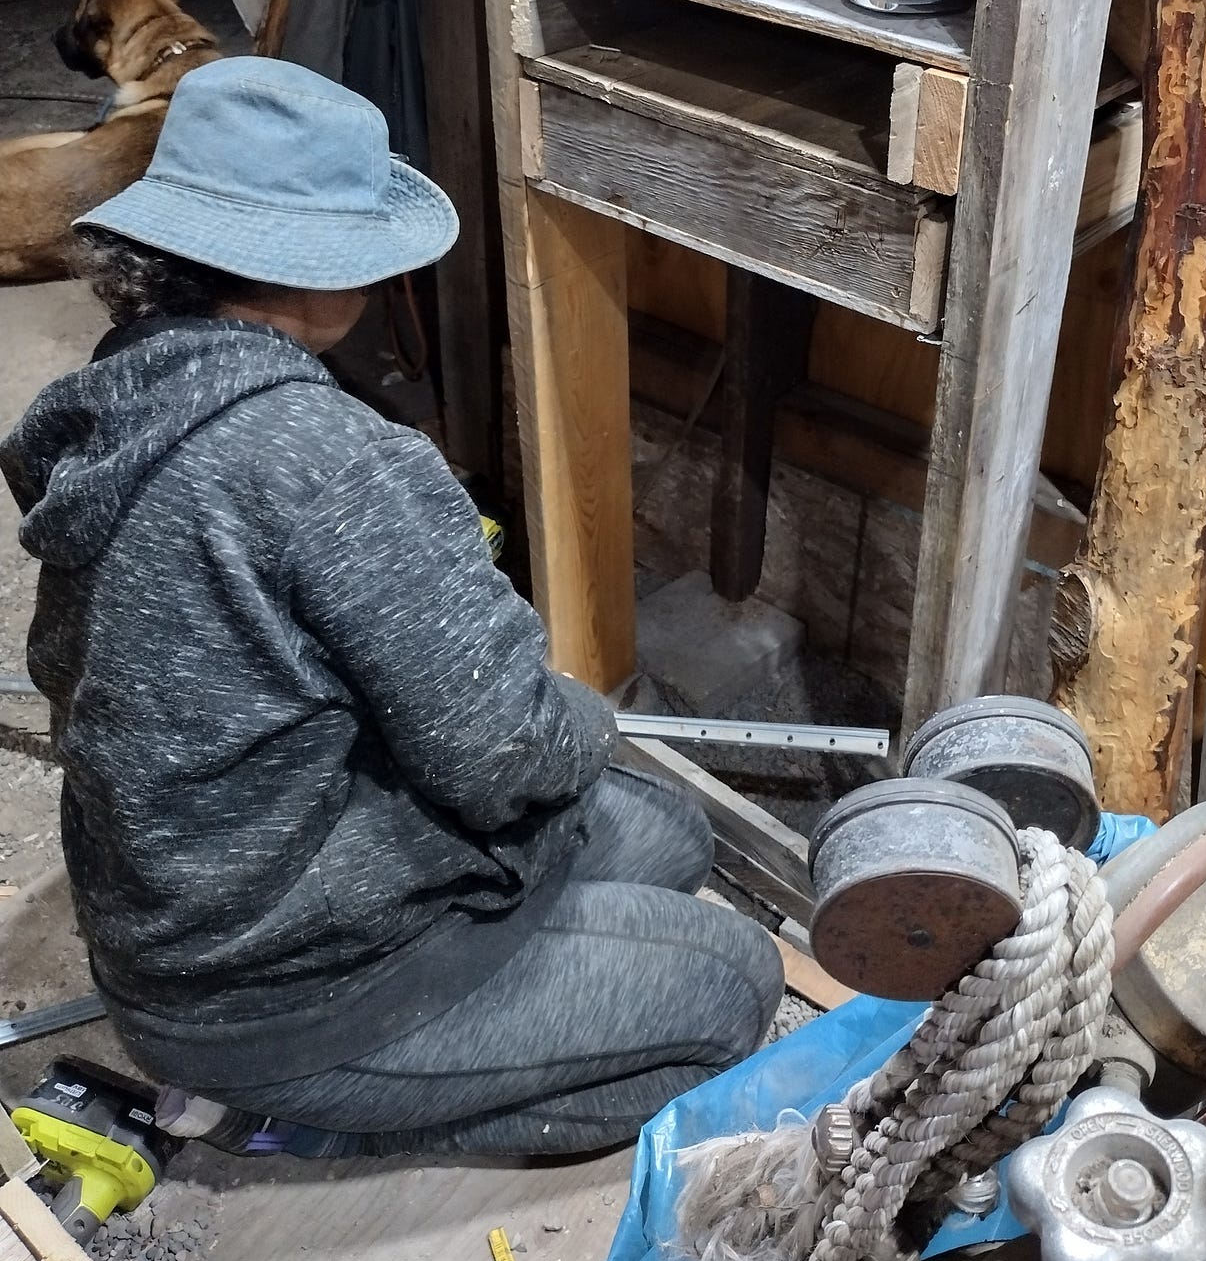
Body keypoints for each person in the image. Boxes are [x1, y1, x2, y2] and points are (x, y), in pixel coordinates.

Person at [1, 57, 782, 1157]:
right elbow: (504, 755)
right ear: (314, 272)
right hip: (279, 989)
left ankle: (442, 1025)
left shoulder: (120, 393)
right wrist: (583, 714)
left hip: (193, 914)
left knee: (666, 834)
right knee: (733, 984)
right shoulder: (327, 459)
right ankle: (346, 1112)